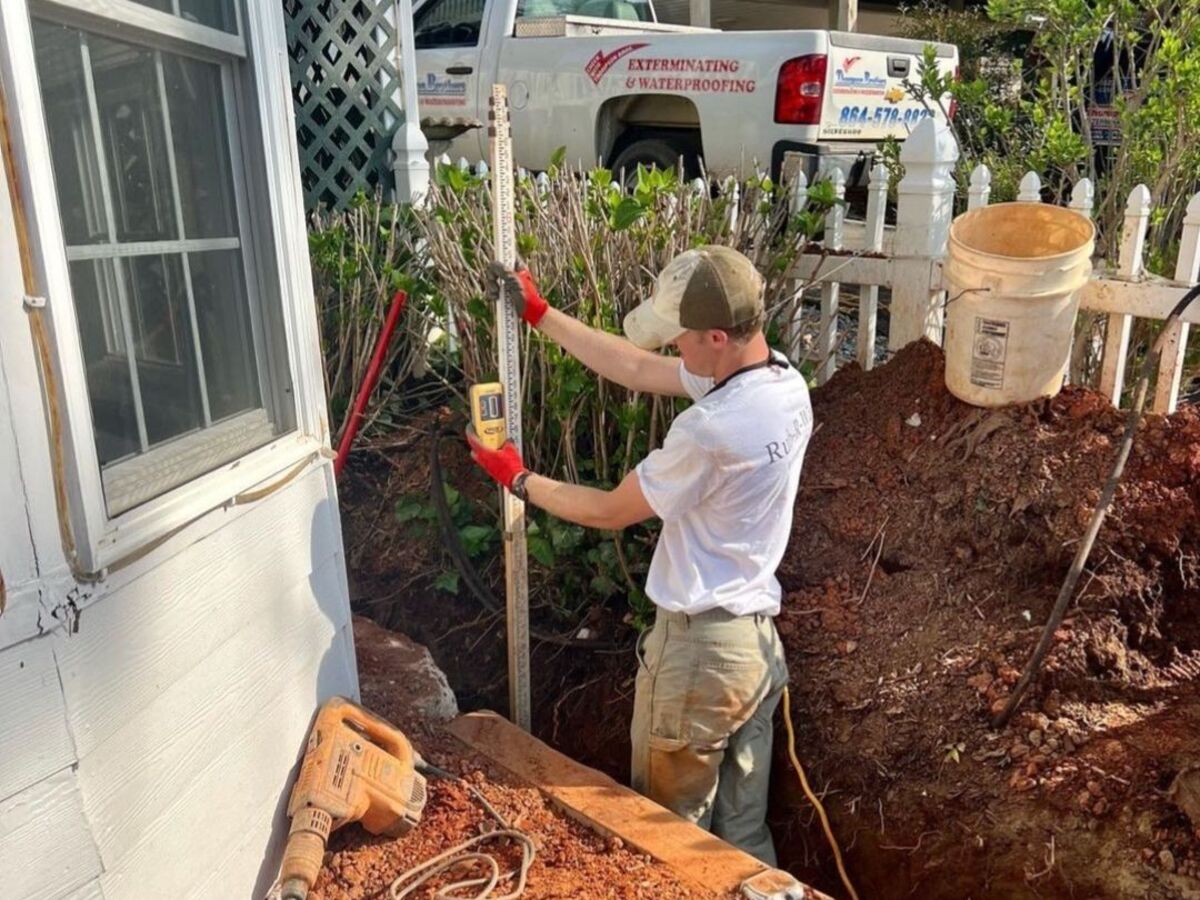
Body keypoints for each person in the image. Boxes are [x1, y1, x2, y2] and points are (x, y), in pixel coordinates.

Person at [467, 246, 812, 865]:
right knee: (745, 841)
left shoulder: (710, 430)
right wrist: (542, 314)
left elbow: (608, 510)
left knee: (672, 846)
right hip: (756, 656)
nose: (672, 352)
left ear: (715, 337)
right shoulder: (783, 384)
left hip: (698, 663)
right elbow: (632, 366)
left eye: (679, 340)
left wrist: (517, 478)